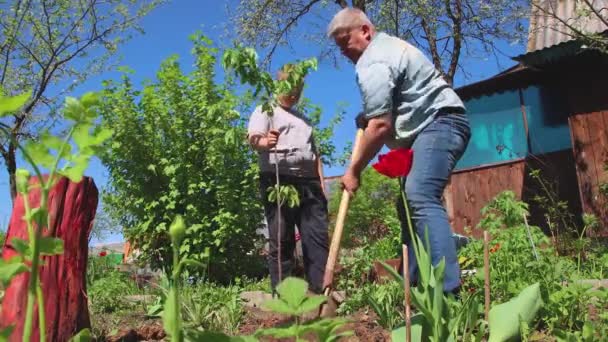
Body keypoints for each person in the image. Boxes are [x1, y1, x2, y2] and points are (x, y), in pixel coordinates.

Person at [327, 8, 471, 293]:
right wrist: (368, 116)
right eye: (339, 46)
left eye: (346, 42)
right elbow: (384, 111)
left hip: (441, 123)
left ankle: (448, 294)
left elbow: (380, 126)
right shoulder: (387, 49)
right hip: (427, 129)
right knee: (406, 206)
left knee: (418, 194)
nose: (343, 51)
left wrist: (353, 170)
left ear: (365, 31)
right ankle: (414, 288)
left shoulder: (373, 60)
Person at [247, 64, 329, 294]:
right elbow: (253, 139)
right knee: (282, 238)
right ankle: (284, 295)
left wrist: (321, 185)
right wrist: (266, 142)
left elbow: (315, 155)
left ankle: (320, 291)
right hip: (278, 180)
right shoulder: (266, 110)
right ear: (278, 85)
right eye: (289, 88)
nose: (294, 94)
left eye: (298, 90)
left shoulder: (304, 120)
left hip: (309, 183)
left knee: (316, 237)